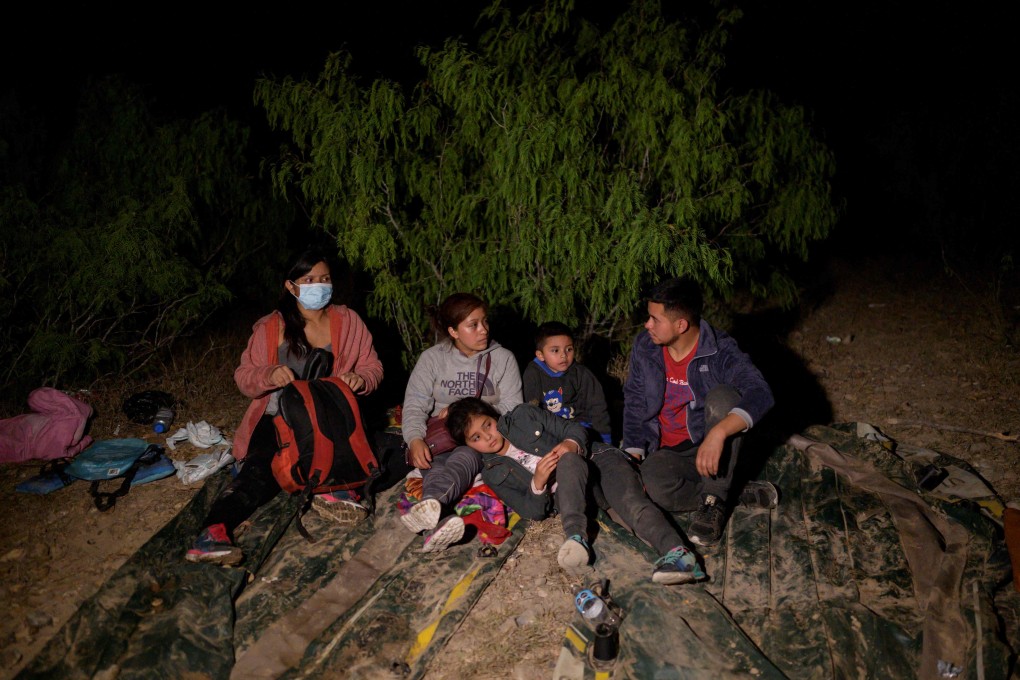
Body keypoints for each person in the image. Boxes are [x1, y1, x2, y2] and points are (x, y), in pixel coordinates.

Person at [185, 248, 384, 565]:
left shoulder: (348, 321)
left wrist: (360, 379)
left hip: (328, 417)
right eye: (308, 280)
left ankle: (331, 491)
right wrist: (268, 374)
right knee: (261, 472)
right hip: (278, 416)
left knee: (372, 453)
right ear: (291, 286)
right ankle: (212, 533)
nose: (318, 285)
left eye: (324, 279)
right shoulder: (270, 327)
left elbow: (373, 367)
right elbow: (244, 376)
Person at [592, 277, 777, 581]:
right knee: (653, 484)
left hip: (709, 442)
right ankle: (734, 491)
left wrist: (718, 434)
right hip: (667, 449)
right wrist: (635, 449)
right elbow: (637, 399)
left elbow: (761, 392)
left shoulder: (719, 351)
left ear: (680, 325)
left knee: (724, 398)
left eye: (654, 318)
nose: (646, 324)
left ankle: (714, 500)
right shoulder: (646, 346)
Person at [399, 293, 523, 551]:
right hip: (441, 438)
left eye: (485, 322)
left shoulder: (502, 359)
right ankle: (438, 526)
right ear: (453, 331)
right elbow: (415, 403)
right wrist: (414, 438)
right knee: (432, 465)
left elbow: (513, 408)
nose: (483, 330)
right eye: (473, 325)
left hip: (477, 438)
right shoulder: (432, 359)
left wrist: (464, 410)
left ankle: (432, 505)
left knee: (464, 457)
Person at [446, 397, 595, 572]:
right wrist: (537, 483)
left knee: (573, 462)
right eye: (476, 437)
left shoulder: (523, 418)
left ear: (493, 416)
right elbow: (530, 512)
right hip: (566, 499)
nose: (488, 437)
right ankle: (576, 536)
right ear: (469, 446)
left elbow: (573, 430)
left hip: (588, 473)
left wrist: (570, 443)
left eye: (487, 425)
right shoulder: (491, 475)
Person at [522, 321, 613, 445]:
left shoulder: (581, 374)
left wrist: (605, 440)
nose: (564, 355)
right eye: (555, 351)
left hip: (581, 429)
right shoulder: (533, 374)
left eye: (569, 349)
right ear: (540, 355)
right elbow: (531, 409)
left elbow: (598, 407)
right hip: (548, 431)